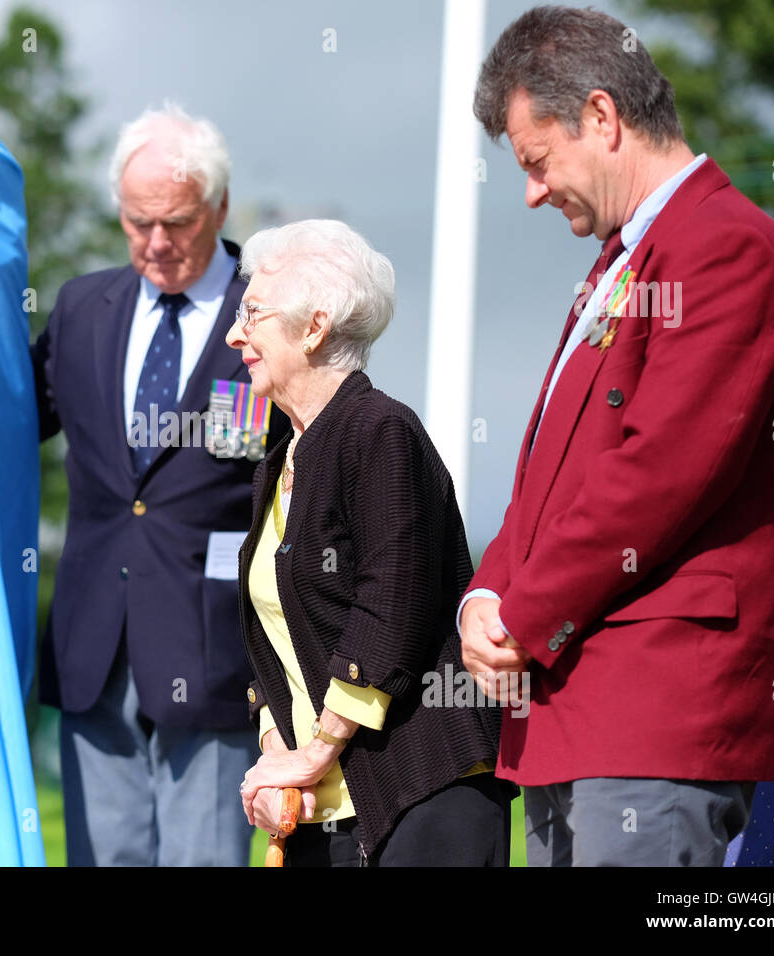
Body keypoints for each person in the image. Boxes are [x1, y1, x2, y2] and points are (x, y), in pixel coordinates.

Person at [461, 5, 774, 866]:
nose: (532, 192)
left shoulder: (725, 246)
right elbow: (547, 484)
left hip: (654, 719)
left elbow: (659, 473)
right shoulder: (622, 266)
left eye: (538, 162)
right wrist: (483, 594)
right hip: (568, 714)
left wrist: (521, 612)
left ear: (601, 117)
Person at [31, 104, 288, 866]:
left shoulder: (271, 313)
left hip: (213, 648)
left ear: (220, 206)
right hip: (94, 644)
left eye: (175, 222)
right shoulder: (81, 308)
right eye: (138, 222)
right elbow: (7, 418)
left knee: (201, 859)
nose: (156, 243)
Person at [228, 219, 514, 866]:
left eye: (253, 313)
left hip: (424, 794)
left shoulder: (380, 431)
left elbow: (389, 610)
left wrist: (313, 754)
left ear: (314, 327)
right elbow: (272, 641)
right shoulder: (278, 460)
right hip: (322, 812)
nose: (234, 334)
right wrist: (278, 757)